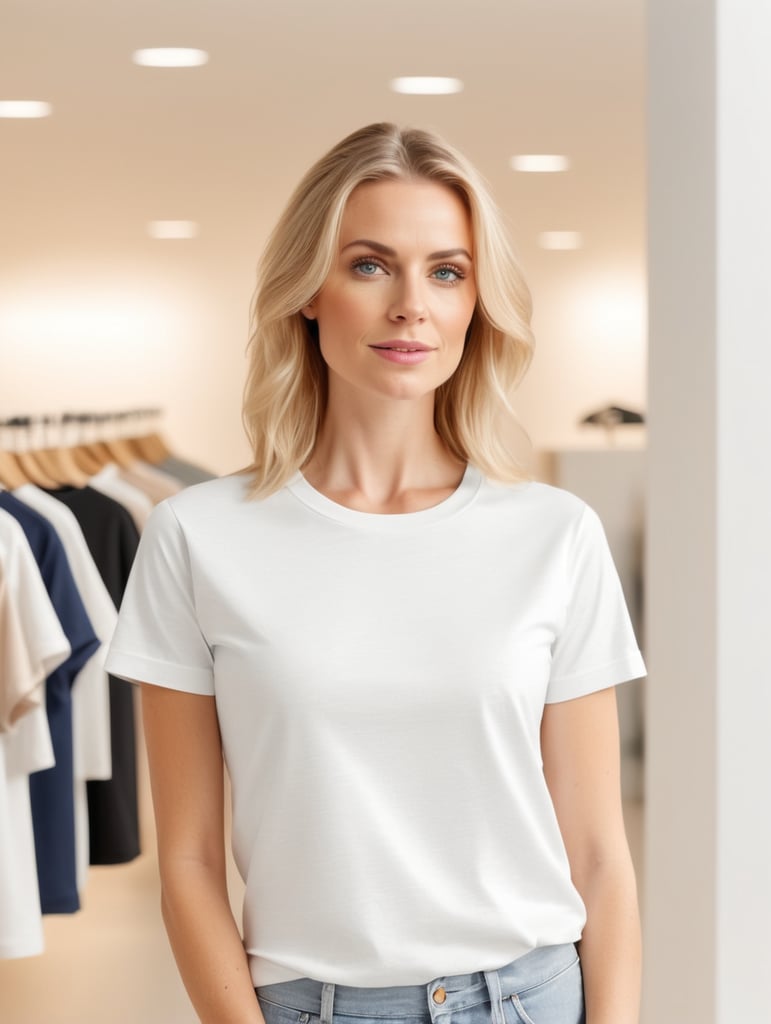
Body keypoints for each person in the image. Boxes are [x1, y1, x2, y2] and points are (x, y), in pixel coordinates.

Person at [105, 122, 645, 1024]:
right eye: (368, 265)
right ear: (307, 291)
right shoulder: (195, 537)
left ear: (477, 302)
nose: (411, 306)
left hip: (530, 996)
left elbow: (597, 856)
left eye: (446, 271)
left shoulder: (556, 535)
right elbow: (190, 860)